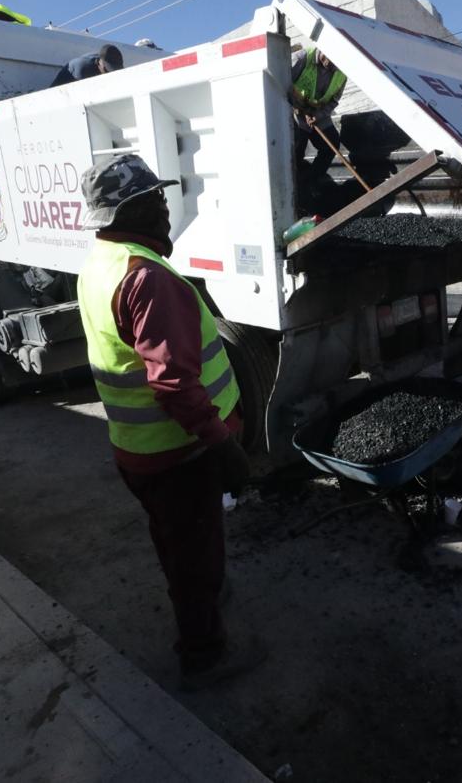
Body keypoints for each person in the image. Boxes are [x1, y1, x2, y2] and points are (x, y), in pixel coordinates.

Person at [76, 154, 263, 689]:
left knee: (180, 541)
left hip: (139, 449)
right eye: (156, 199)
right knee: (192, 554)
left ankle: (206, 595)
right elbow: (174, 382)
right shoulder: (147, 278)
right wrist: (224, 445)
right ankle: (204, 656)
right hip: (178, 454)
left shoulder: (104, 261)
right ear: (132, 210)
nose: (165, 208)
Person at [289, 47, 346, 192]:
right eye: (332, 61)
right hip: (295, 109)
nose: (334, 67)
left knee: (331, 143)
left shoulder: (342, 71)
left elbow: (334, 100)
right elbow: (283, 85)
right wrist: (297, 108)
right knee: (298, 147)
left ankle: (312, 181)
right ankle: (295, 188)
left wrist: (318, 115)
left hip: (317, 113)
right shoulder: (302, 59)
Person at [51, 44, 124, 87]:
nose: (109, 74)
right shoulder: (83, 69)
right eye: (107, 70)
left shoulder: (102, 58)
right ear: (100, 63)